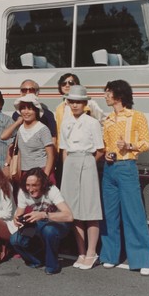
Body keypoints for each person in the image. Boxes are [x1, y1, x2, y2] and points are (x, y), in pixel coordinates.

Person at [100, 80, 149, 276]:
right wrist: (107, 153)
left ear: (119, 95)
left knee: (134, 214)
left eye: (108, 92)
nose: (105, 96)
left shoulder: (136, 116)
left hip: (127, 167)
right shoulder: (107, 119)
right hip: (109, 169)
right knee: (109, 214)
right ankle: (110, 255)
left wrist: (129, 146)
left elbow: (147, 143)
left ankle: (143, 259)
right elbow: (106, 145)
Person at [59, 85, 104, 270]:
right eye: (72, 101)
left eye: (79, 102)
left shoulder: (92, 123)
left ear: (85, 103)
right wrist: (67, 166)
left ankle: (92, 253)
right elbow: (63, 149)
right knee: (74, 211)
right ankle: (81, 252)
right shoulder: (65, 122)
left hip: (87, 162)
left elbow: (100, 149)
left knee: (90, 209)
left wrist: (89, 163)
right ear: (67, 103)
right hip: (70, 163)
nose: (75, 105)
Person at [10, 168, 74, 275]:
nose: (30, 189)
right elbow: (19, 214)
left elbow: (69, 216)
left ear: (42, 184)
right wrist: (17, 219)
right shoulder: (23, 191)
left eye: (34, 185)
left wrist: (44, 215)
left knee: (49, 230)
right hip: (38, 223)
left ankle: (52, 266)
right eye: (28, 185)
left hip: (57, 223)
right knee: (15, 240)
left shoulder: (51, 190)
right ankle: (37, 261)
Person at [9, 94, 56, 183]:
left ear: (36, 111)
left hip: (41, 171)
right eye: (23, 108)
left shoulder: (43, 129)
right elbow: (3, 136)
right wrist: (17, 122)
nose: (26, 112)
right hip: (24, 173)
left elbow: (50, 155)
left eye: (30, 108)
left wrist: (45, 176)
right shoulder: (20, 128)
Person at [1, 79, 57, 146]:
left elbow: (53, 138)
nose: (28, 93)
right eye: (24, 90)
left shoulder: (47, 115)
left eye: (31, 90)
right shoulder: (16, 114)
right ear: (21, 93)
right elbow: (9, 137)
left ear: (37, 93)